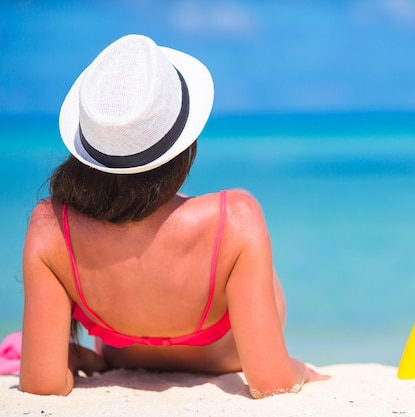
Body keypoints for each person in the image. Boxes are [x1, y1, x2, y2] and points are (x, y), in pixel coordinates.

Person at [19, 34, 328, 398]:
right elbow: (271, 382)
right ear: (185, 146)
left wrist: (69, 360)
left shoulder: (49, 227)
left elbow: (42, 384)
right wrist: (299, 369)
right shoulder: (233, 219)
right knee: (242, 208)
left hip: (124, 358)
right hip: (225, 359)